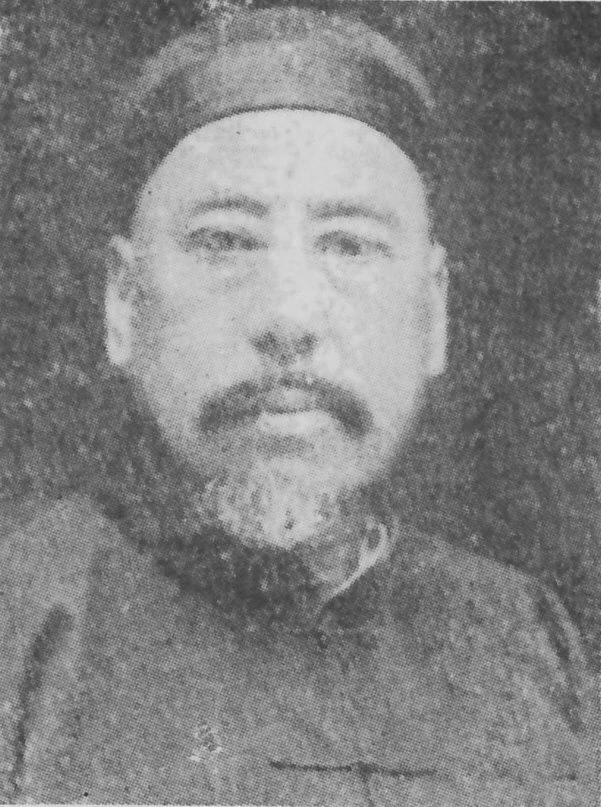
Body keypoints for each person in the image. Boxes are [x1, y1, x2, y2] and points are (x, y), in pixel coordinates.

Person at [0, 7, 596, 805]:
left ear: (433, 313)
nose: (287, 315)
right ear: (123, 302)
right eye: (225, 241)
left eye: (348, 244)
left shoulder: (523, 638)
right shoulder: (24, 619)